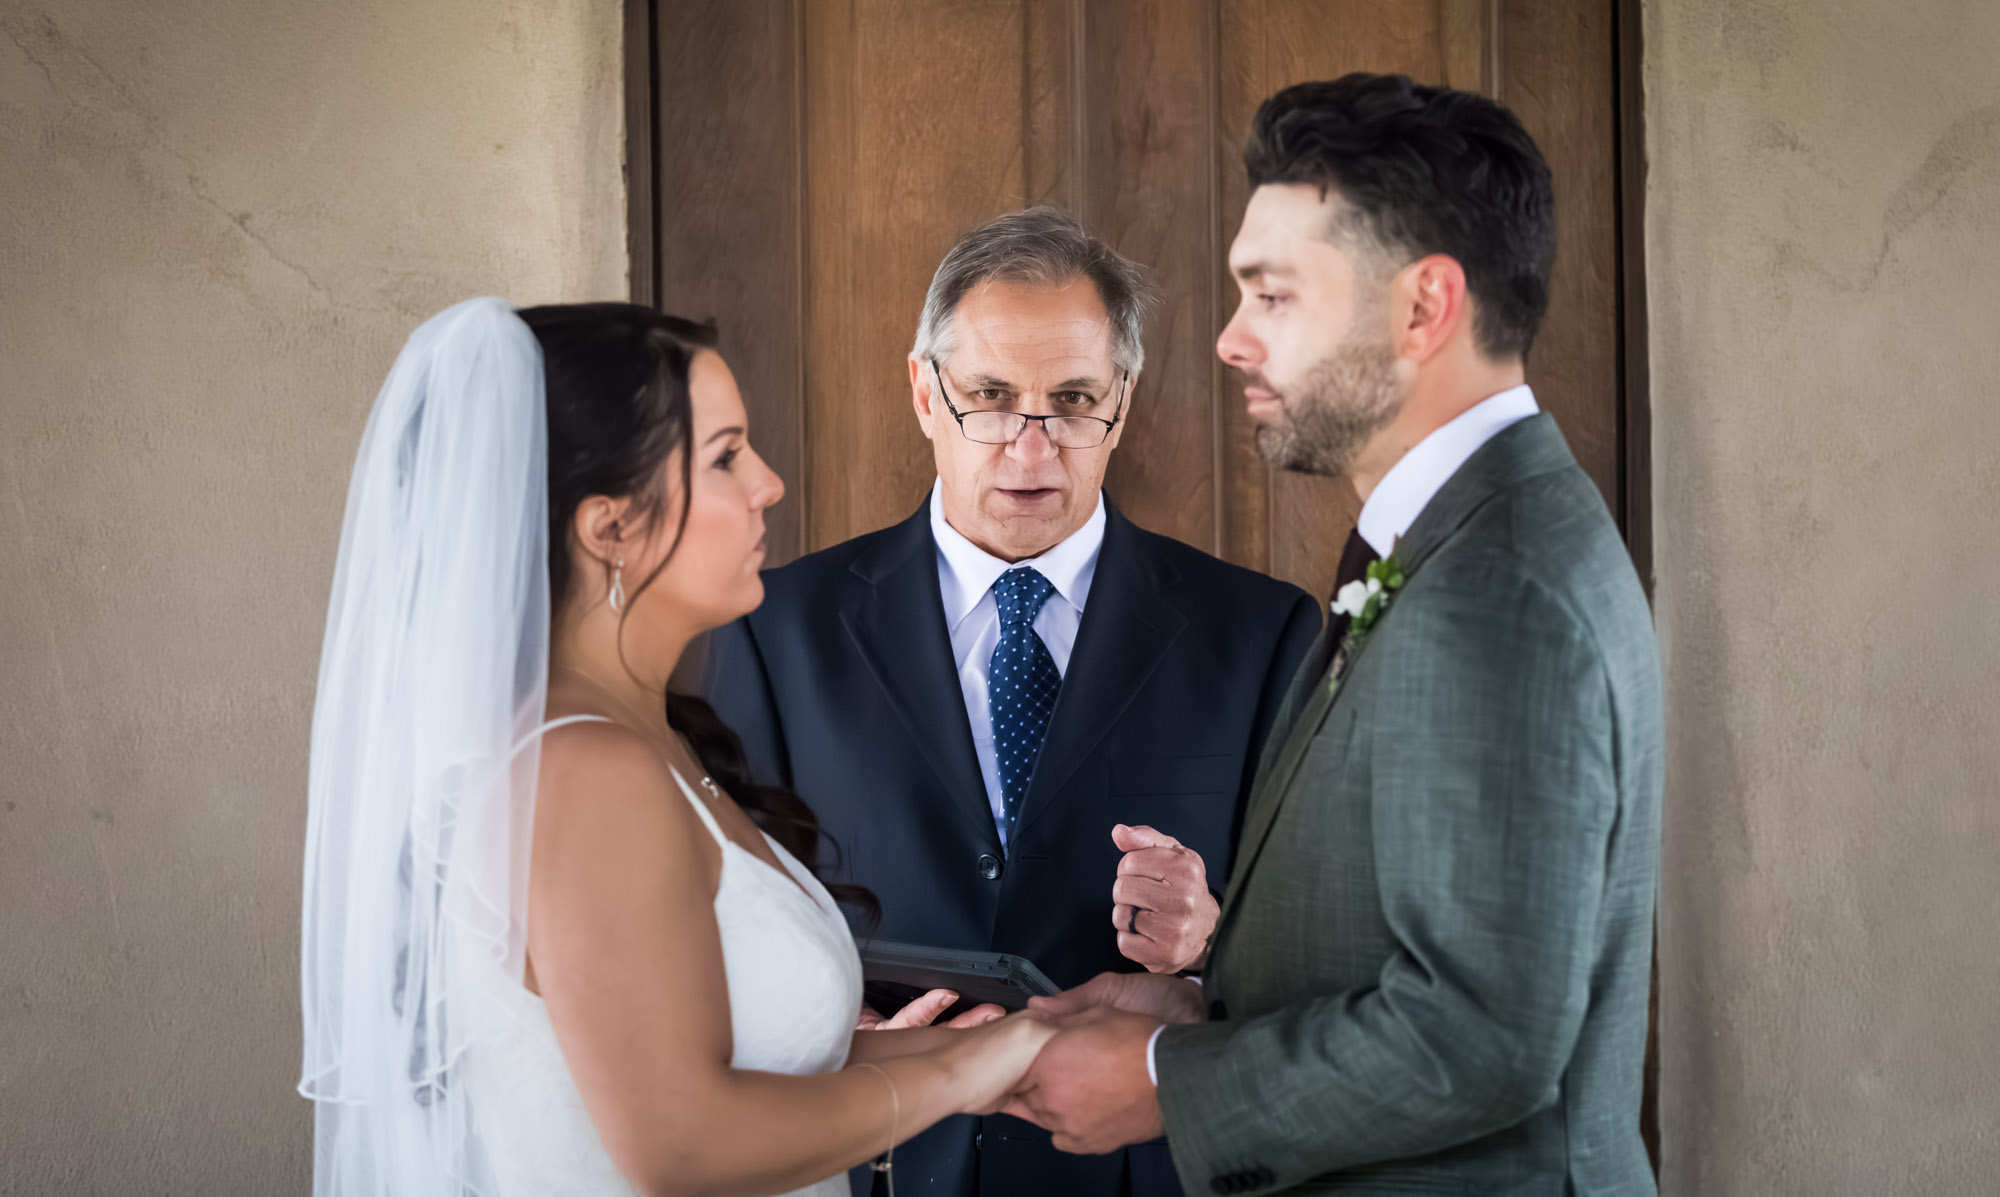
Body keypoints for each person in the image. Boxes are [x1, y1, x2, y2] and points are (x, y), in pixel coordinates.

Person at [1008, 74, 1666, 1195]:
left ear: (1422, 308)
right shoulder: (1462, 537)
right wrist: (1194, 1010)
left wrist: (1171, 1077)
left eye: (1270, 295)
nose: (1226, 340)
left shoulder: (1496, 587)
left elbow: (1479, 1033)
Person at [298, 299, 1055, 1197]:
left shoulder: (647, 738)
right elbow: (684, 1144)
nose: (768, 483)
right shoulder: (585, 770)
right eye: (727, 456)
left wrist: (1038, 1027)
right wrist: (980, 1067)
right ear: (608, 526)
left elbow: (682, 1041)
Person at [704, 208, 1321, 1197]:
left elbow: (1327, 967)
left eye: (1072, 400)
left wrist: (1212, 943)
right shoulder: (773, 630)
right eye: (989, 397)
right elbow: (716, 929)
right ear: (923, 392)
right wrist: (825, 1027)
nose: (1030, 451)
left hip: (1142, 1167)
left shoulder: (1262, 635)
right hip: (874, 1161)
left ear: (1121, 401)